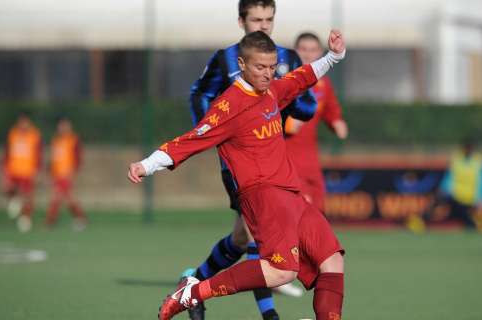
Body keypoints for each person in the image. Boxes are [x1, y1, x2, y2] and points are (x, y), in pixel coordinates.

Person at [128, 30, 346, 320]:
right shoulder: (228, 106)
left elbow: (301, 78)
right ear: (242, 64)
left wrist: (333, 56)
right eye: (260, 67)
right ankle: (192, 294)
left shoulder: (271, 91)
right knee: (281, 272)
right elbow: (192, 139)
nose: (268, 73)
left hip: (291, 195)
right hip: (263, 195)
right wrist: (147, 164)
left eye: (272, 67)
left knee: (331, 260)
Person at [184, 1, 317, 319]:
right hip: (240, 163)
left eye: (268, 19)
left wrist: (289, 105)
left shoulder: (288, 59)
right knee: (259, 233)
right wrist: (215, 130)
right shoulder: (226, 58)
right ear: (241, 21)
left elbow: (308, 106)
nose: (263, 25)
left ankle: (191, 286)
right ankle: (269, 315)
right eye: (256, 19)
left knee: (242, 237)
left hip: (273, 160)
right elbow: (199, 94)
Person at [285, 32, 349, 212]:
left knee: (318, 213)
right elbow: (267, 113)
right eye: (303, 49)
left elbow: (330, 108)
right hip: (287, 162)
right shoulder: (285, 81)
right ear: (294, 51)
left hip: (311, 163)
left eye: (312, 50)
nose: (307, 54)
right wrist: (286, 123)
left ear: (320, 53)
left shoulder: (323, 83)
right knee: (302, 213)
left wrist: (336, 122)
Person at [407, 138, 482, 232]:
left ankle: (475, 225)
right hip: (455, 196)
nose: (468, 150)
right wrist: (443, 189)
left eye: (470, 148)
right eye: (466, 147)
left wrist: (481, 200)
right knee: (438, 199)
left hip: (469, 199)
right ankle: (420, 221)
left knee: (469, 223)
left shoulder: (478, 161)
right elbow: (449, 177)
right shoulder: (457, 158)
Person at [45, 117, 87, 231]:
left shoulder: (73, 139)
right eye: (61, 126)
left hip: (67, 174)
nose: (62, 128)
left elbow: (78, 158)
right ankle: (80, 219)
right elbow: (54, 159)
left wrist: (74, 172)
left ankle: (50, 222)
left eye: (65, 126)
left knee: (64, 198)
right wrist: (50, 172)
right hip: (57, 175)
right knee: (63, 198)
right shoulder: (56, 141)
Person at [3, 113, 42, 233]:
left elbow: (38, 153)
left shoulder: (34, 135)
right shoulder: (13, 133)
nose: (23, 124)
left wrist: (37, 168)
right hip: (13, 169)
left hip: (27, 171)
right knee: (9, 190)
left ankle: (25, 218)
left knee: (28, 196)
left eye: (25, 122)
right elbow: (8, 151)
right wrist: (5, 166)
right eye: (21, 122)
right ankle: (14, 202)